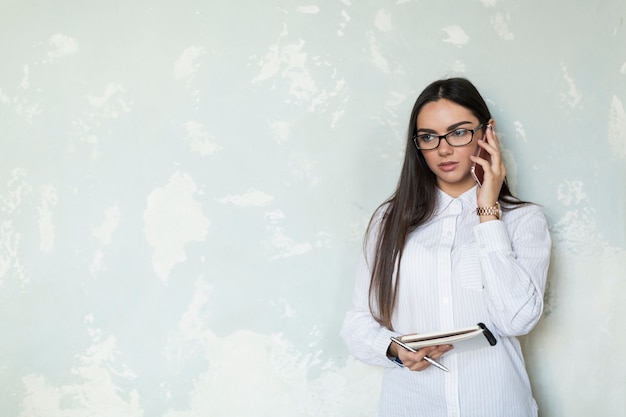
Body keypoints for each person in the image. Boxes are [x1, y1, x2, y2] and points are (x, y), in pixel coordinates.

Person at [341, 77, 551, 417]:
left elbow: (517, 319)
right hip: (411, 405)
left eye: (458, 132)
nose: (443, 149)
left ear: (488, 133)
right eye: (428, 137)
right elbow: (357, 323)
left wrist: (487, 212)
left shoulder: (523, 220)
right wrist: (393, 348)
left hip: (497, 405)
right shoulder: (389, 221)